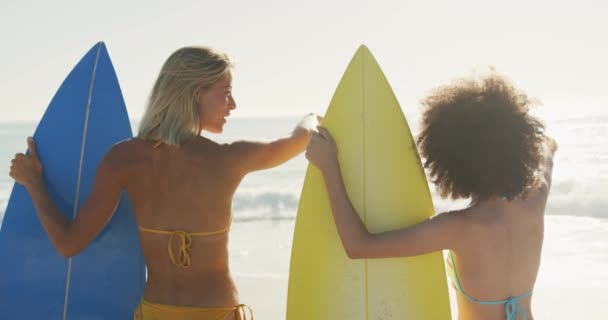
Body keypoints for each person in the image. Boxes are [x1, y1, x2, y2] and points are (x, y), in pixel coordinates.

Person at [9, 46, 319, 320]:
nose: (233, 104)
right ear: (196, 92)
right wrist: (312, 117)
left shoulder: (123, 159)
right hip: (216, 312)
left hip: (157, 312)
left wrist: (35, 183)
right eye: (226, 92)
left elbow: (68, 244)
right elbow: (299, 140)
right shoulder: (229, 159)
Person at [305, 71, 557, 320]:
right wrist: (534, 143)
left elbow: (358, 246)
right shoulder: (535, 200)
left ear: (451, 158)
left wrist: (329, 166)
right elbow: (547, 152)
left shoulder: (458, 227)